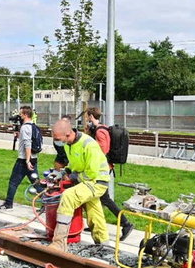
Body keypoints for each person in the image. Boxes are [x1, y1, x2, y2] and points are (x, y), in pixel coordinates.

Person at [50, 119, 110, 251]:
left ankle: (59, 243)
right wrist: (64, 172)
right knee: (94, 210)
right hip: (88, 180)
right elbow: (75, 164)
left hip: (96, 181)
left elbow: (91, 173)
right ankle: (103, 244)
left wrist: (73, 177)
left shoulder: (89, 144)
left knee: (68, 197)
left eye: (57, 138)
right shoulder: (68, 145)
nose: (56, 141)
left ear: (67, 134)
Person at [85, 107, 134, 240]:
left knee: (104, 198)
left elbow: (103, 149)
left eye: (87, 116)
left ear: (90, 116)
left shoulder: (100, 131)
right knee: (96, 197)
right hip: (103, 167)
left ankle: (126, 223)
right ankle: (94, 222)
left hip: (103, 168)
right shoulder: (101, 128)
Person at [0, 106, 40, 210]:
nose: (19, 116)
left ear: (25, 115)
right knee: (36, 182)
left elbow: (27, 144)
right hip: (33, 159)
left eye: (21, 114)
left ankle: (8, 204)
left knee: (13, 182)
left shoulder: (25, 127)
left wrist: (27, 160)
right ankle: (47, 204)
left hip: (24, 160)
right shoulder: (33, 126)